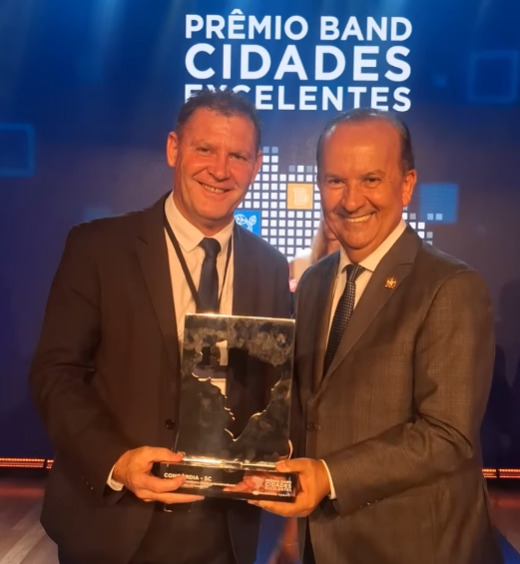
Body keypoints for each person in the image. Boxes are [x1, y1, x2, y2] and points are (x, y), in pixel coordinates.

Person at [29, 89, 291, 564]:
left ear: (256, 166)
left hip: (223, 531)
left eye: (238, 156)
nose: (220, 170)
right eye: (205, 149)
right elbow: (55, 374)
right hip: (112, 522)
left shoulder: (270, 266)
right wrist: (117, 462)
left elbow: (272, 387)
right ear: (174, 149)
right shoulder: (98, 248)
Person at [257, 108, 503, 564]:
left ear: (406, 185)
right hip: (323, 545)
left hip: (415, 547)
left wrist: (329, 476)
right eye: (335, 181)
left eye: (371, 179)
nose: (351, 201)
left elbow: (447, 435)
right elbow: (311, 407)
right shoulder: (313, 283)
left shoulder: (450, 286)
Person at [289, 217, 340, 291]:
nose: (332, 223)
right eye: (328, 217)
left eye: (339, 217)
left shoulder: (351, 266)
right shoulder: (300, 262)